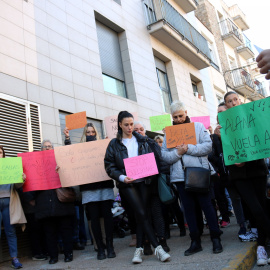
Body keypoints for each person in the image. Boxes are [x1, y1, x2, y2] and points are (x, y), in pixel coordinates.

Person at [104, 111, 171, 264]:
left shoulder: (142, 140)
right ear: (120, 125)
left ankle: (138, 251)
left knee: (143, 214)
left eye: (131, 124)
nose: (129, 127)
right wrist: (121, 177)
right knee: (141, 212)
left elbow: (156, 157)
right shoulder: (114, 144)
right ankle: (158, 248)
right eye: (126, 124)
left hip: (145, 182)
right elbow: (109, 165)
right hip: (127, 184)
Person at [161, 100, 223, 256]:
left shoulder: (198, 127)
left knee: (206, 206)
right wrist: (178, 153)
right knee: (188, 210)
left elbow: (208, 147)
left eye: (181, 115)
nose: (179, 119)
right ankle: (195, 241)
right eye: (175, 117)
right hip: (179, 177)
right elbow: (165, 157)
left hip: (199, 173)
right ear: (172, 117)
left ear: (186, 113)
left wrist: (188, 148)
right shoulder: (169, 133)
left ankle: (216, 237)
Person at [221, 91, 270, 266]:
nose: (233, 103)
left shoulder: (254, 117)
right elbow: (223, 155)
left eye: (235, 99)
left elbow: (263, 142)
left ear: (240, 101)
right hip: (239, 176)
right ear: (226, 106)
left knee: (262, 207)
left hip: (257, 171)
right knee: (255, 209)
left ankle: (262, 246)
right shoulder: (223, 126)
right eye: (229, 101)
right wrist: (234, 160)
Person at [64, 123, 116, 260]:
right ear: (84, 134)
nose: (91, 134)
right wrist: (67, 139)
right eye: (88, 132)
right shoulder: (79, 148)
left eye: (93, 132)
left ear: (96, 134)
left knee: (108, 217)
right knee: (94, 220)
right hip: (88, 190)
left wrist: (107, 143)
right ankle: (99, 248)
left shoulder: (102, 145)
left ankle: (110, 246)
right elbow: (69, 157)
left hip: (104, 186)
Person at [34, 140, 75, 264]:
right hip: (45, 204)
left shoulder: (60, 161)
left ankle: (68, 254)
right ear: (41, 149)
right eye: (45, 147)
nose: (48, 148)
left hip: (61, 203)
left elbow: (71, 177)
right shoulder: (35, 164)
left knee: (66, 230)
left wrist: (62, 171)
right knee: (49, 233)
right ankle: (53, 256)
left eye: (50, 146)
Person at [134, 122, 170, 253]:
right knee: (144, 215)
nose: (139, 131)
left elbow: (161, 160)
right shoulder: (129, 146)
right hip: (137, 186)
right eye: (136, 129)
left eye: (141, 129)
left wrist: (160, 173)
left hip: (153, 183)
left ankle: (162, 240)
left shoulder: (152, 143)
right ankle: (147, 242)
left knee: (157, 213)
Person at [0, 145, 26, 269]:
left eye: (0, 152)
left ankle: (14, 259)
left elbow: (17, 186)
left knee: (10, 232)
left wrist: (22, 179)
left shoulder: (10, 166)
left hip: (9, 203)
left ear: (3, 154)